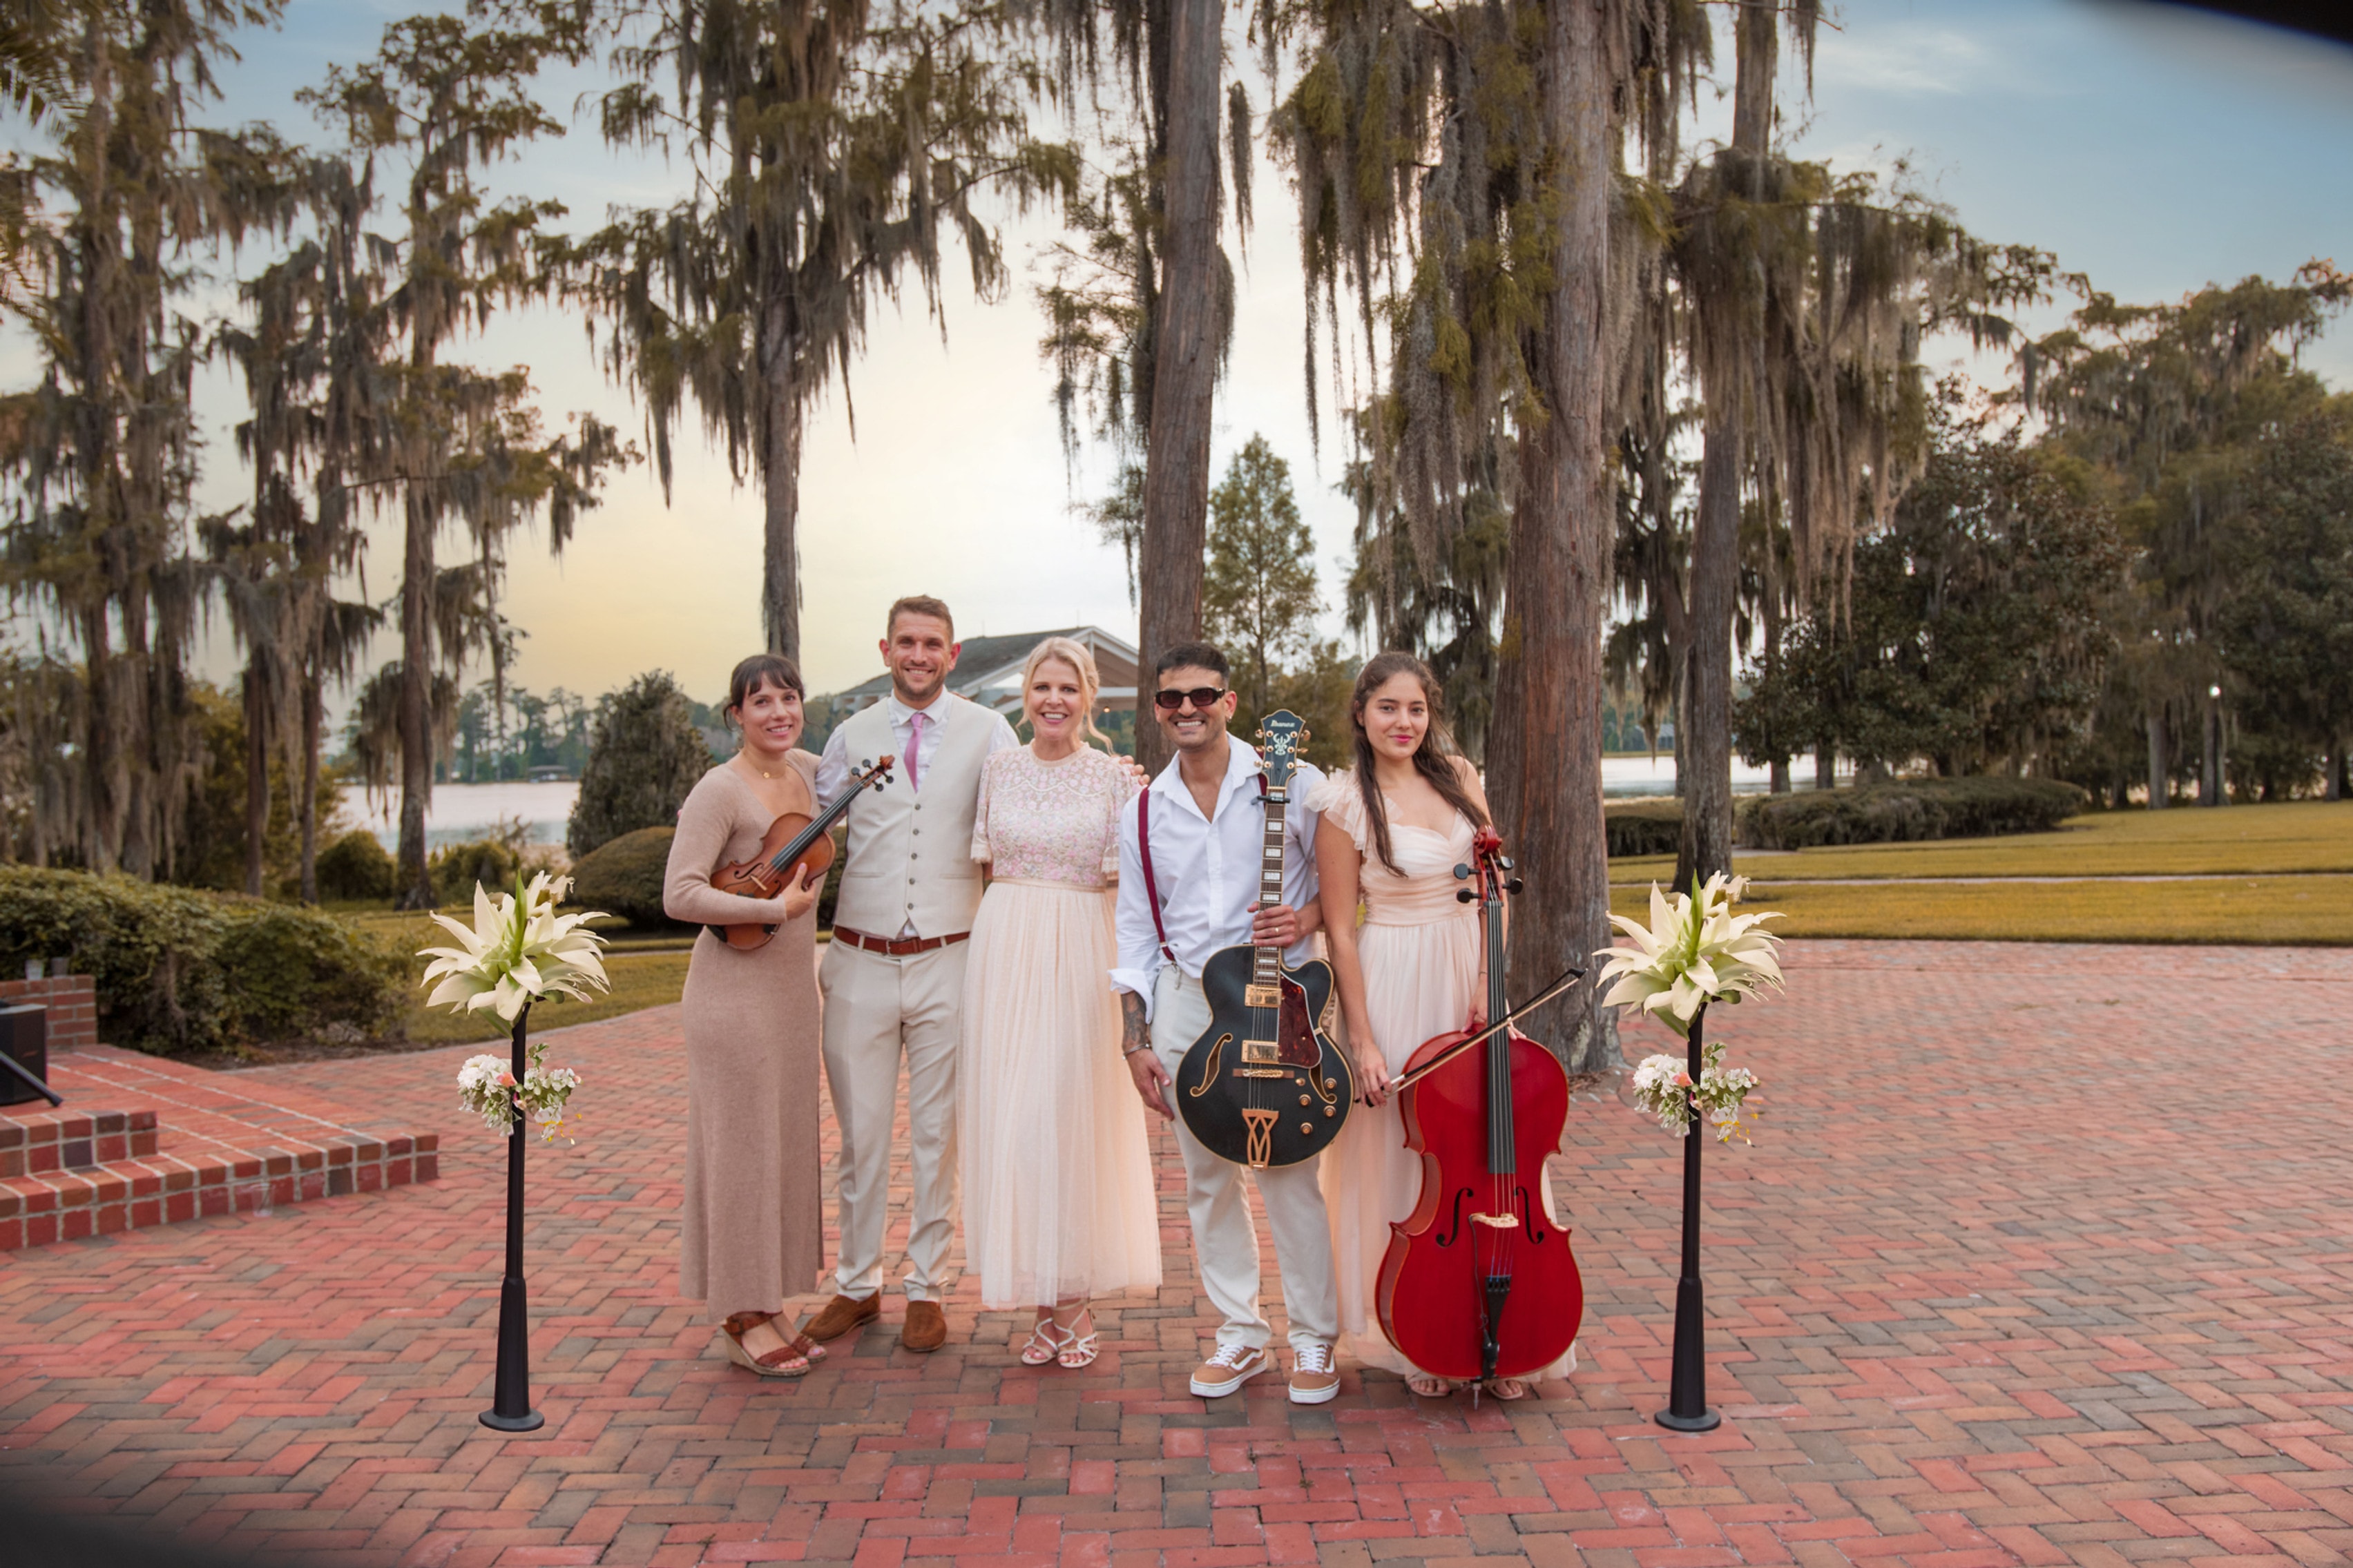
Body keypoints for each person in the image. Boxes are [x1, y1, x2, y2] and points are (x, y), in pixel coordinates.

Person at [1310, 652, 1574, 1400]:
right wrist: (1359, 1037)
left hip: (1470, 970)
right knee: (1406, 1155)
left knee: (1487, 1149)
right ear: (1361, 713)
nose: (1402, 722)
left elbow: (1497, 886)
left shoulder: (1457, 776)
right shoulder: (1342, 805)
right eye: (1387, 707)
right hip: (1393, 976)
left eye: (1415, 708)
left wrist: (1494, 993)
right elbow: (1340, 928)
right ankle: (1416, 1336)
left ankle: (1507, 1324)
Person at [1113, 641, 1343, 1405]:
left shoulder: (1294, 783)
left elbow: (1344, 896)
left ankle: (1313, 1340)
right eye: (1171, 698)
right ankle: (1241, 1335)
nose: (1187, 709)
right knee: (1207, 1179)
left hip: (1275, 997)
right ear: (1155, 709)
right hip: (1183, 1000)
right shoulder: (1142, 810)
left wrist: (1302, 916)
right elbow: (1136, 931)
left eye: (1201, 695)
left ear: (1229, 702)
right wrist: (1135, 1038)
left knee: (1289, 1175)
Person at [802, 596, 1020, 1353]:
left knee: (936, 1134)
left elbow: (1022, 821)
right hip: (859, 960)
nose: (918, 655)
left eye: (932, 644)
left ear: (952, 655)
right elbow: (810, 837)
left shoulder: (991, 732)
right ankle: (856, 1285)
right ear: (885, 649)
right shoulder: (850, 736)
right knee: (860, 1139)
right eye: (906, 643)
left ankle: (927, 1285)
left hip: (950, 958)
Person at [959, 637, 1161, 1367]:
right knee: (1015, 1123)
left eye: (1067, 689)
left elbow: (1132, 888)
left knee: (1068, 1118)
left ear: (1088, 697)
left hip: (1080, 949)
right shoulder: (997, 771)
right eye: (1041, 687)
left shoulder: (1115, 779)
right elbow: (986, 874)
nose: (1053, 701)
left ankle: (1071, 1302)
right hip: (1005, 950)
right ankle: (1043, 1298)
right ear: (1024, 695)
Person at [661, 652, 831, 1377]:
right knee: (739, 1153)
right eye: (759, 702)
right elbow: (680, 895)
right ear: (735, 714)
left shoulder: (811, 773)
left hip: (793, 993)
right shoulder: (717, 790)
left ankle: (768, 1300)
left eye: (788, 698)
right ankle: (739, 1314)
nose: (776, 713)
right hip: (733, 994)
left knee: (782, 1147)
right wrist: (768, 907)